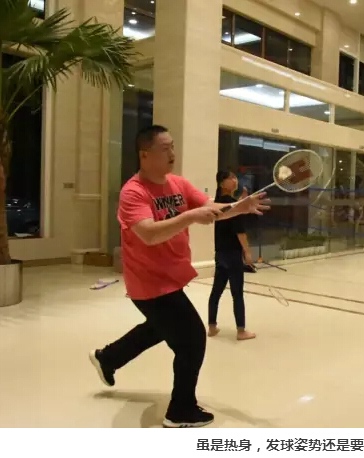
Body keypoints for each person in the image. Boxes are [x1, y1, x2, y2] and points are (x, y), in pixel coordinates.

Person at [89, 125, 270, 428]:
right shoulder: (133, 192)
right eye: (164, 149)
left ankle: (107, 358)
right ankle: (180, 410)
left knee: (158, 328)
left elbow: (210, 209)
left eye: (172, 146)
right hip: (148, 283)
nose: (172, 153)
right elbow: (148, 234)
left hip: (170, 277)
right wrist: (189, 216)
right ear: (144, 155)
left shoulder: (178, 184)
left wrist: (239, 207)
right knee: (191, 339)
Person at [208, 171, 256, 340]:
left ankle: (212, 327)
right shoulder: (232, 205)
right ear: (222, 183)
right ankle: (241, 331)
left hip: (220, 252)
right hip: (233, 254)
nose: (235, 180)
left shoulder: (219, 203)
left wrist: (241, 202)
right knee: (237, 293)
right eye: (231, 178)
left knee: (216, 291)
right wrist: (247, 251)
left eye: (235, 177)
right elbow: (239, 231)